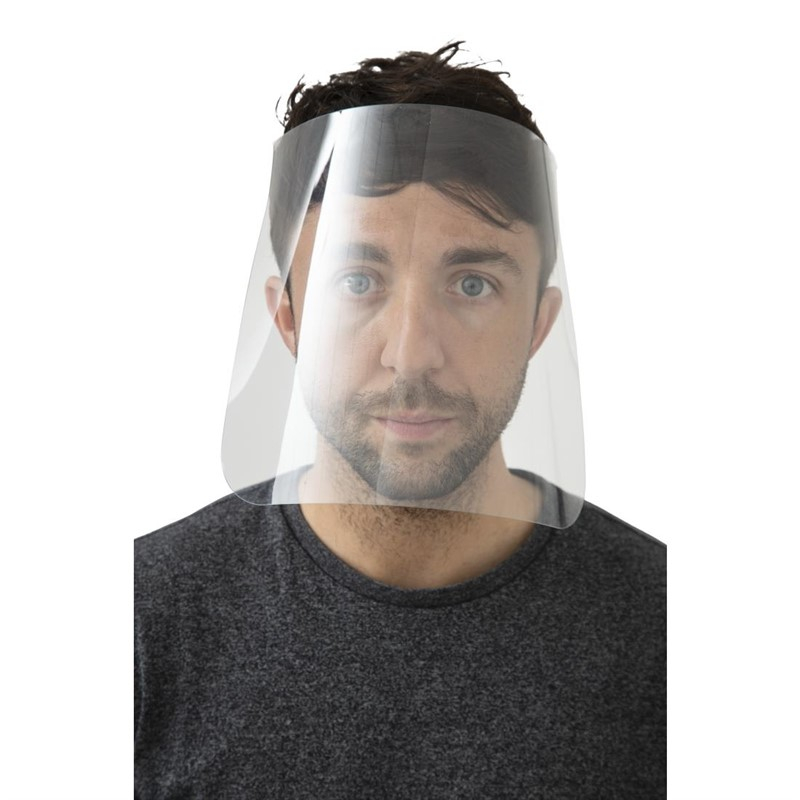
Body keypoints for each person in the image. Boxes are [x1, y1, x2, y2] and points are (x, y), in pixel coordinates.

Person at [135, 43, 666, 799]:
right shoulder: (143, 621)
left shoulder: (669, 630)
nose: (411, 355)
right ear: (288, 319)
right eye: (357, 280)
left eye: (472, 284)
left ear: (539, 323)